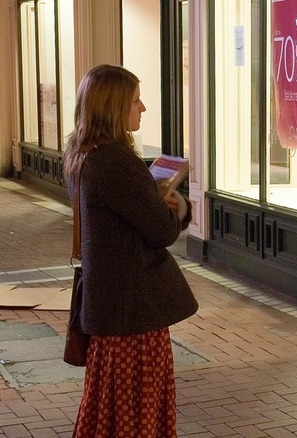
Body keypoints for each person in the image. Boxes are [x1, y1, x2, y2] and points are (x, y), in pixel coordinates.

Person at [63, 64, 199, 437]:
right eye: (135, 101)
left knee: (108, 406)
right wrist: (179, 207)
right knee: (135, 409)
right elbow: (161, 231)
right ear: (114, 107)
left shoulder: (82, 153)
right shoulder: (117, 162)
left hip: (110, 306)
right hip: (133, 313)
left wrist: (152, 196)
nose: (143, 109)